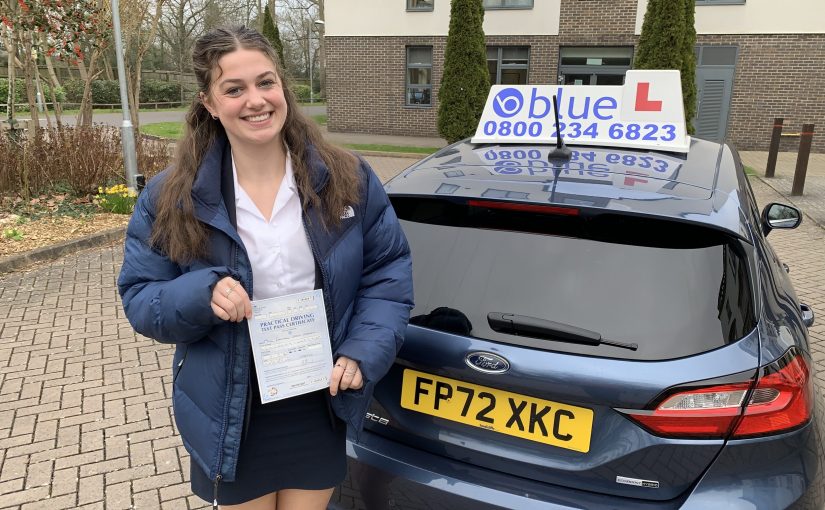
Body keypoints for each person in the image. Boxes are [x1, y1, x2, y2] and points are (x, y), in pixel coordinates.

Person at [117, 25, 413, 510]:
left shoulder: (347, 179)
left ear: (283, 88)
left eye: (265, 82)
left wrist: (363, 351)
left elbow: (387, 273)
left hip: (318, 395)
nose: (255, 100)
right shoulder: (171, 197)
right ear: (209, 103)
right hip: (233, 407)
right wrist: (201, 295)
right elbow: (139, 294)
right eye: (234, 89)